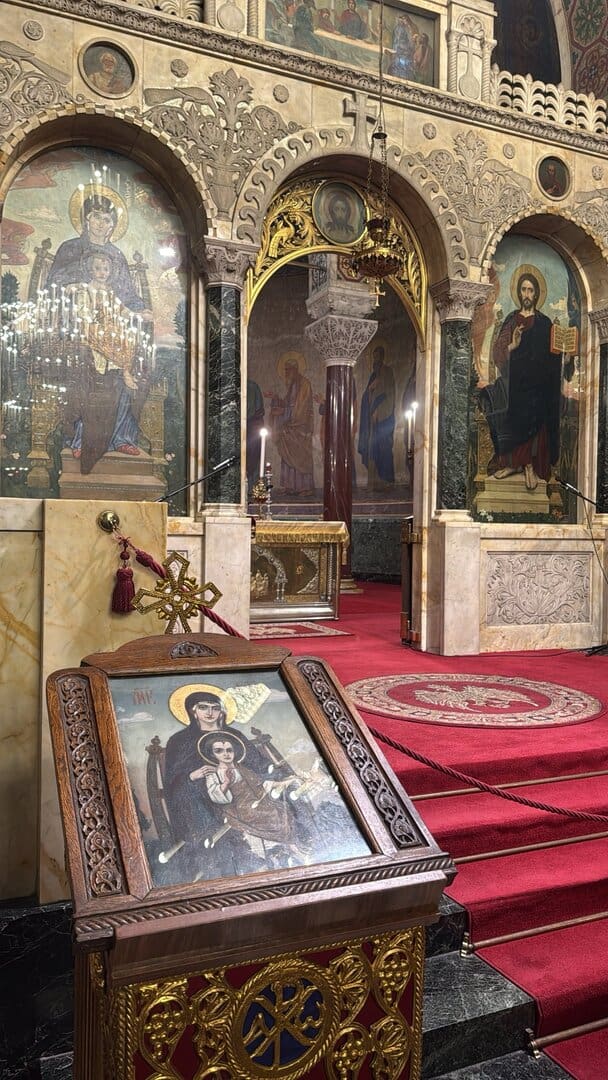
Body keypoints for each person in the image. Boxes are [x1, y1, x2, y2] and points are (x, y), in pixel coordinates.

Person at [479, 271, 560, 492]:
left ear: (536, 294)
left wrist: (567, 357)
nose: (527, 294)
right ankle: (513, 464)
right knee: (514, 417)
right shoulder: (512, 320)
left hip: (539, 386)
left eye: (530, 290)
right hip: (515, 384)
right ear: (518, 292)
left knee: (535, 417)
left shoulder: (544, 323)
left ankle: (528, 466)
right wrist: (512, 345)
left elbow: (554, 357)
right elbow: (498, 353)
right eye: (523, 289)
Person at [199, 731, 311, 864]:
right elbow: (216, 796)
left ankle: (291, 847)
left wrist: (283, 782)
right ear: (212, 754)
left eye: (229, 750)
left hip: (258, 797)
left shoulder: (241, 768)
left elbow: (260, 783)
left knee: (282, 808)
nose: (226, 754)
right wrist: (226, 783)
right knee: (269, 814)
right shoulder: (214, 774)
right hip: (239, 806)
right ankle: (291, 846)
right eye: (219, 751)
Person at [47, 192, 146, 313]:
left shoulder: (117, 255)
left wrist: (140, 310)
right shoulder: (70, 248)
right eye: (96, 217)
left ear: (111, 226)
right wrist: (79, 287)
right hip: (73, 313)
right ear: (87, 219)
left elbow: (128, 295)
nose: (101, 224)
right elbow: (53, 285)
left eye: (106, 220)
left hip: (110, 317)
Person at [270, 353, 314, 496]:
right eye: (285, 370)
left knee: (301, 456)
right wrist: (276, 399)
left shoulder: (304, 384)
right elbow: (288, 404)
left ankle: (305, 487)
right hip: (289, 427)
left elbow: (301, 409)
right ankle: (290, 485)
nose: (286, 373)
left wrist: (283, 412)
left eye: (288, 370)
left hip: (300, 427)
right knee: (287, 455)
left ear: (295, 369)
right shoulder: (293, 385)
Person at [357, 345, 395, 490]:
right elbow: (366, 396)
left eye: (378, 357)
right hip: (373, 420)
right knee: (373, 448)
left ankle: (386, 481)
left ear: (382, 357)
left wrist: (379, 410)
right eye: (374, 357)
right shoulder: (373, 375)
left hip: (384, 419)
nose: (375, 360)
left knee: (384, 448)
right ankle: (374, 482)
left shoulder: (388, 372)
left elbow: (390, 394)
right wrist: (369, 389)